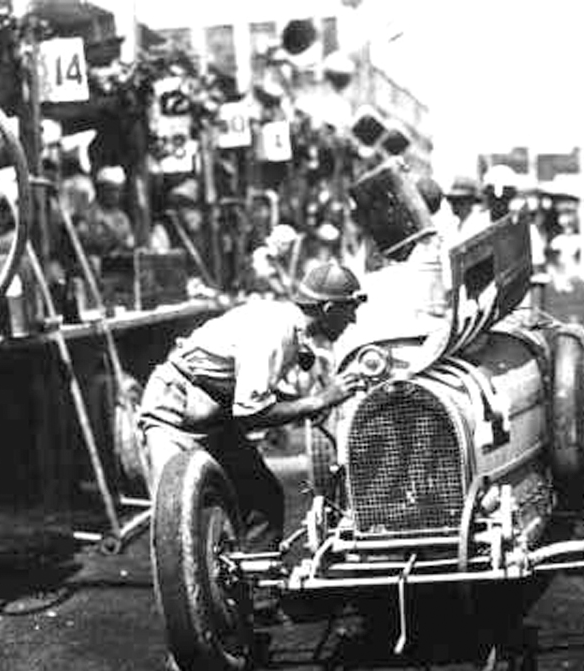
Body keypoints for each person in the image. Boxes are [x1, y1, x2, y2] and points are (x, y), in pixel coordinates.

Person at [137, 262, 368, 555]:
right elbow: (250, 415)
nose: (353, 320)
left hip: (213, 413)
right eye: (350, 310)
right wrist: (318, 401)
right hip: (174, 413)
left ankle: (259, 592)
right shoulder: (274, 333)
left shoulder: (289, 326)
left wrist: (309, 403)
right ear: (328, 310)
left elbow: (249, 392)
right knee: (179, 521)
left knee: (263, 498)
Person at [76, 166, 134, 272]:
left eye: (118, 190)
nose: (114, 195)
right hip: (93, 268)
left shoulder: (122, 218)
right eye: (110, 190)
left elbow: (127, 243)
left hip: (118, 269)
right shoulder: (88, 215)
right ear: (100, 190)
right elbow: (84, 241)